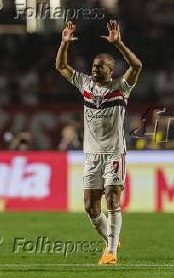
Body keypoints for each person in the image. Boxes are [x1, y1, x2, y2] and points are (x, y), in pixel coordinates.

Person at [55, 20, 142, 265]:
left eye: (100, 67)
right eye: (94, 66)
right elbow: (61, 66)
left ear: (111, 70)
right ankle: (111, 238)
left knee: (112, 199)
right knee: (91, 208)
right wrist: (64, 43)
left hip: (114, 153)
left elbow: (137, 65)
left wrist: (119, 44)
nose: (95, 70)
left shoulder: (121, 87)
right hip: (91, 155)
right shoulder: (85, 83)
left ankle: (111, 252)